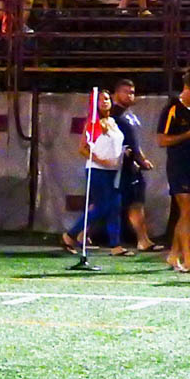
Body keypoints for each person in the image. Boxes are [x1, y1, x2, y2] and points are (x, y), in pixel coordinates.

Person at [63, 90, 127, 257]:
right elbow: (83, 148)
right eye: (100, 100)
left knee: (115, 206)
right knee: (102, 206)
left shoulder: (113, 121)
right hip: (97, 170)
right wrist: (101, 161)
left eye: (106, 99)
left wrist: (123, 153)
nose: (105, 102)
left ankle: (115, 245)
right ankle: (70, 234)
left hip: (114, 170)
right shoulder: (93, 123)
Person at [156, 68, 190, 273]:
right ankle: (188, 260)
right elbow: (162, 140)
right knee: (188, 211)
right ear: (186, 88)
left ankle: (173, 255)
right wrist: (189, 134)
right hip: (179, 166)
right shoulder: (172, 110)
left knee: (189, 215)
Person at [111, 78, 157, 251]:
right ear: (116, 93)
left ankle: (143, 239)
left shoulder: (129, 116)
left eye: (132, 92)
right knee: (104, 202)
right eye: (126, 92)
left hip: (129, 167)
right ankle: (76, 234)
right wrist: (140, 160)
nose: (130, 95)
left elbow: (134, 143)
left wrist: (141, 159)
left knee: (135, 202)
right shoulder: (113, 116)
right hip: (117, 167)